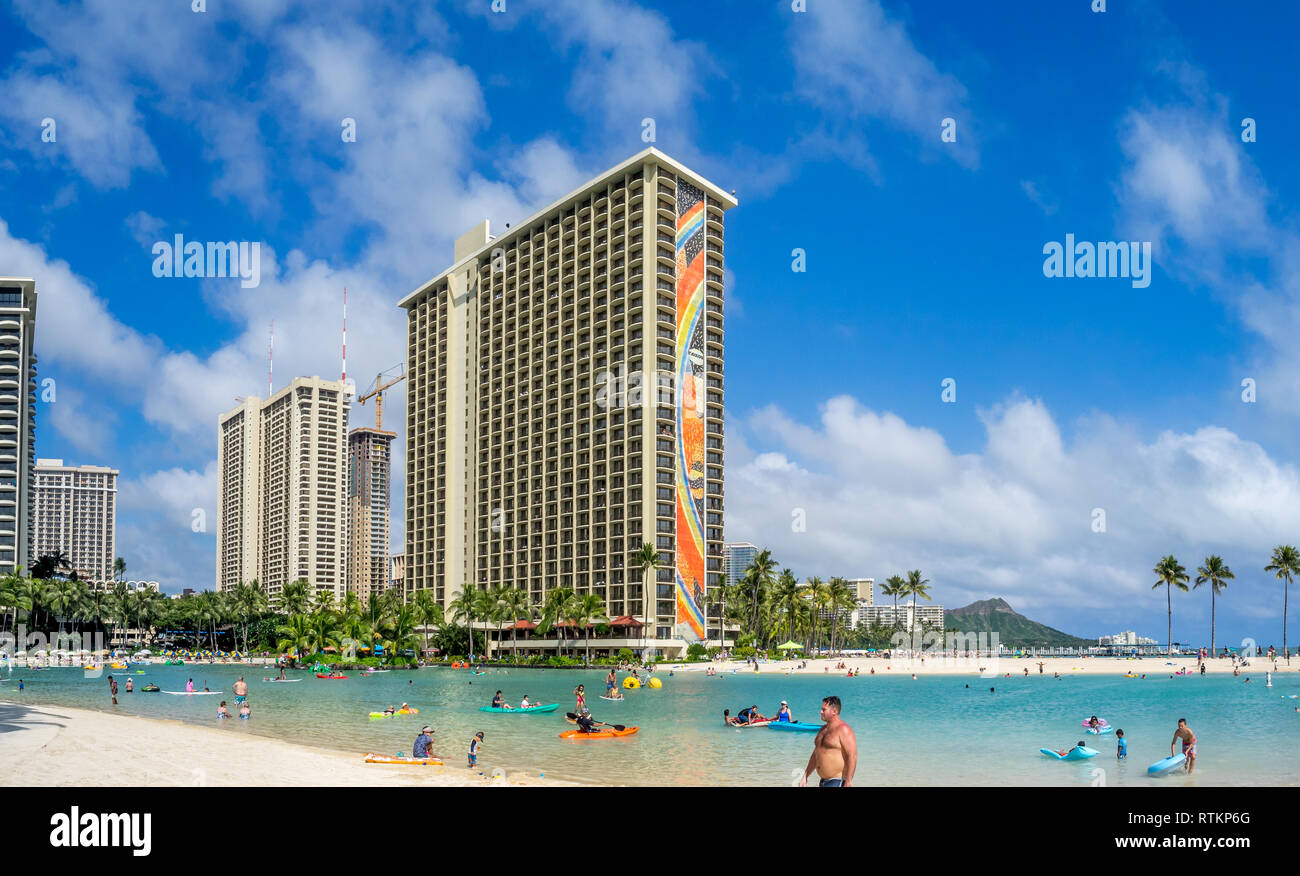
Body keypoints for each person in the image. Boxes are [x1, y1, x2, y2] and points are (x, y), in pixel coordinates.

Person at [798, 696, 857, 787]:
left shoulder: (844, 729)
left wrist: (848, 781)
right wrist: (805, 775)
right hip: (823, 782)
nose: (820, 712)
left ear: (834, 711)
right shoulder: (822, 730)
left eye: (824, 709)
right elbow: (816, 755)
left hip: (837, 781)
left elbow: (852, 756)